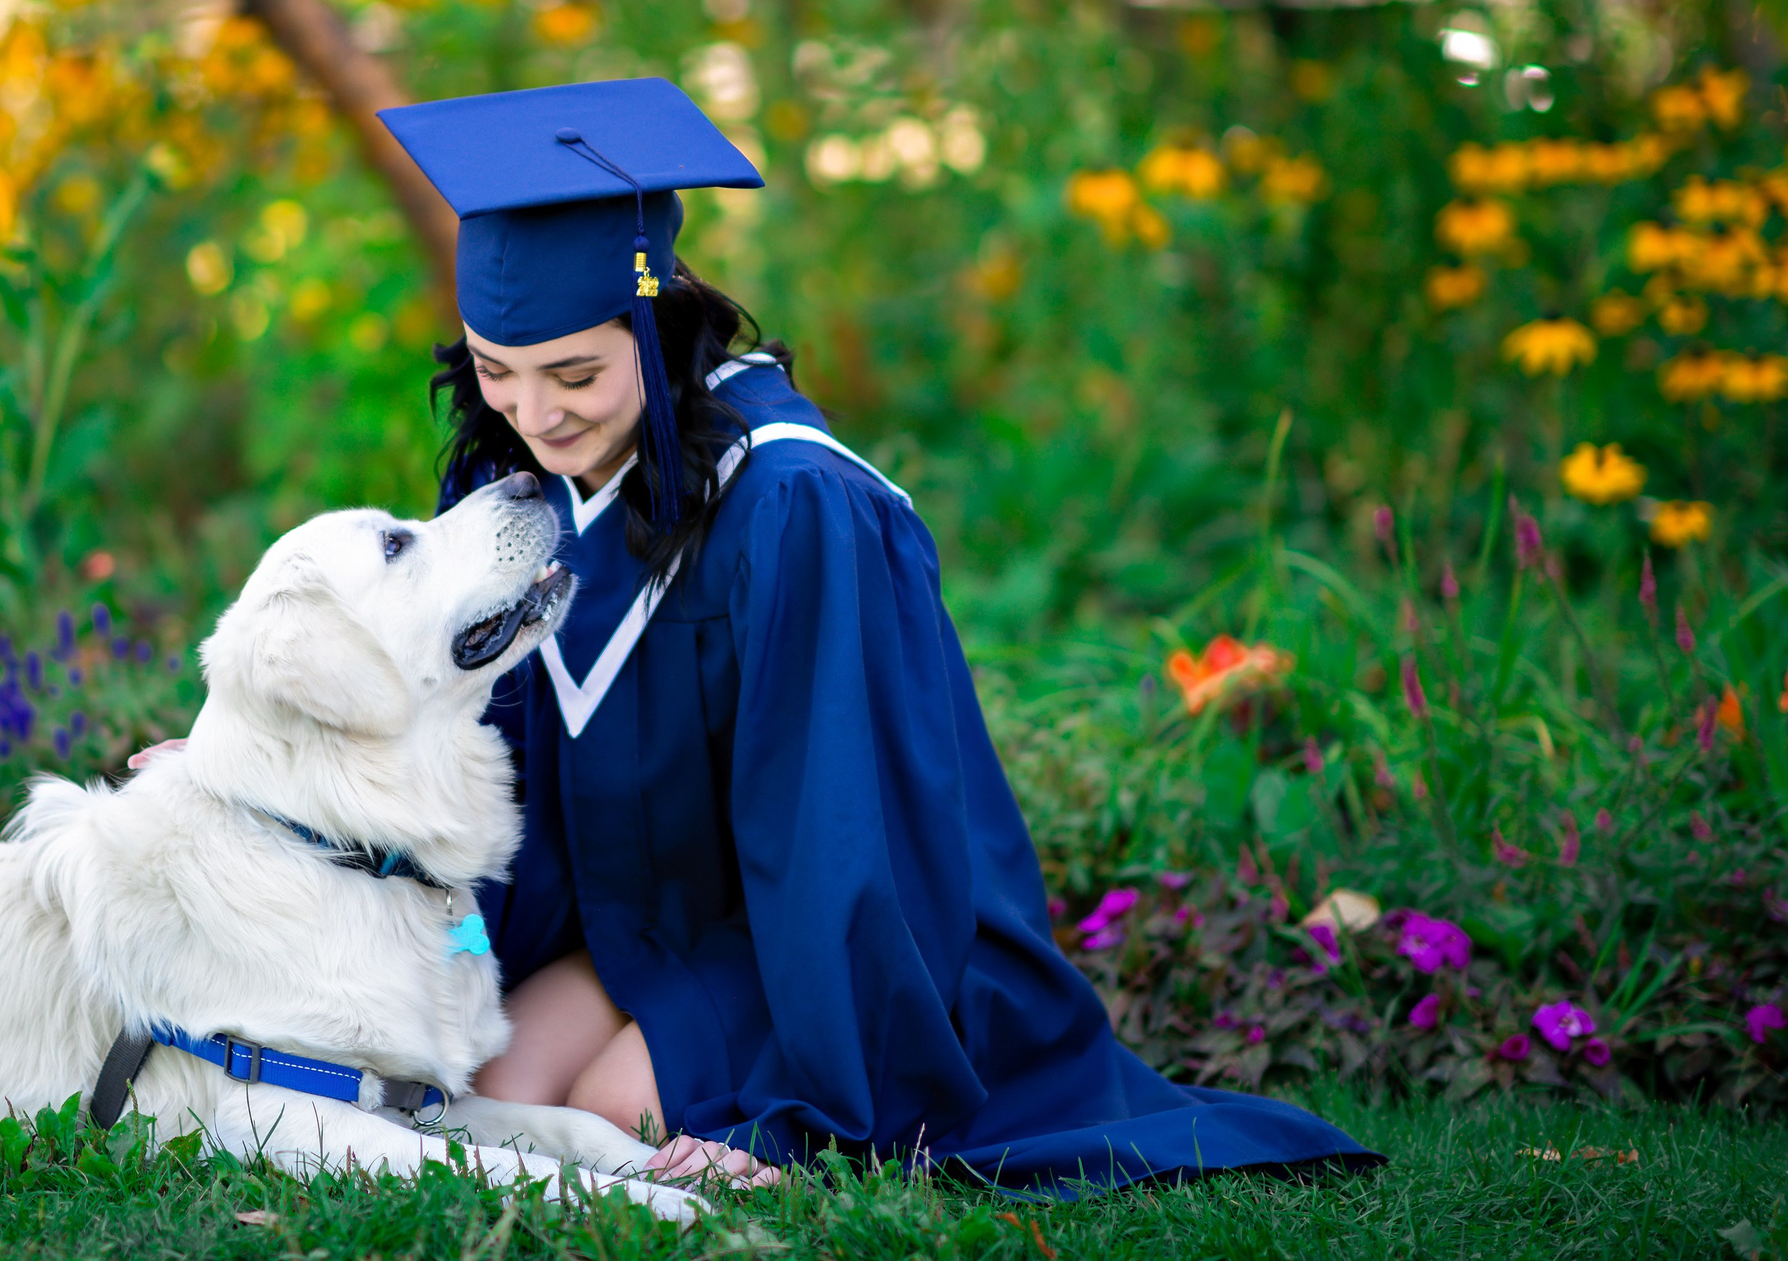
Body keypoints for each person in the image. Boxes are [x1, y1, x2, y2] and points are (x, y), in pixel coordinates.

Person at [371, 76, 1378, 1192]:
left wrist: (801, 1116)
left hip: (810, 937)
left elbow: (840, 825)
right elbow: (467, 712)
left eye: (575, 374)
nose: (537, 411)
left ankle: (816, 1077)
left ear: (658, 330)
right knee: (488, 1098)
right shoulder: (531, 477)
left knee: (619, 1111)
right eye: (497, 371)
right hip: (641, 934)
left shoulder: (791, 502)